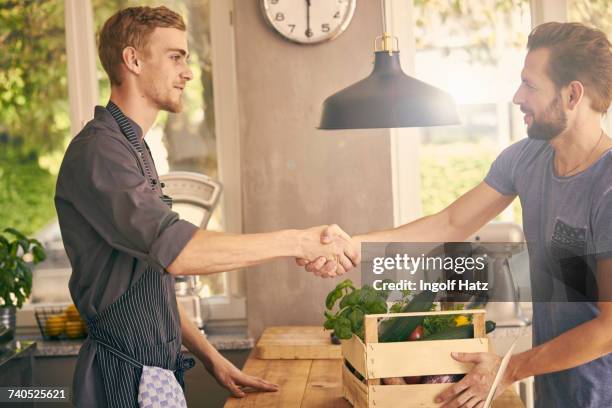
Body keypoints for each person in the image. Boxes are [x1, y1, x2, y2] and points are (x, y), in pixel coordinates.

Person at [54, 6, 359, 407]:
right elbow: (180, 253)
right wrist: (300, 242)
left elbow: (148, 285)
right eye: (175, 57)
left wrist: (212, 357)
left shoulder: (132, 147)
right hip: (123, 378)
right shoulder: (100, 153)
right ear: (133, 60)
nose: (187, 72)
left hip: (152, 373)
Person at [305, 21, 612, 408]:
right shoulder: (527, 159)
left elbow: (609, 328)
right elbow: (451, 223)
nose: (517, 96)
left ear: (572, 95)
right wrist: (351, 245)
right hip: (556, 392)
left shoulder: (607, 187)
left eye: (530, 85)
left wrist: (507, 370)